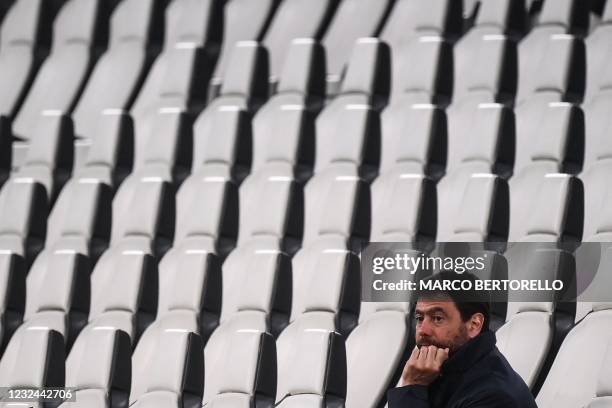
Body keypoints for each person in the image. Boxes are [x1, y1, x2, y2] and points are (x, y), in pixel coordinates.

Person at [387, 271, 538, 407]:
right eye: (420, 318)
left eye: (438, 318)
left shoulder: (493, 397)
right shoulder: (436, 370)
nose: (423, 330)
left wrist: (412, 388)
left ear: (474, 324)